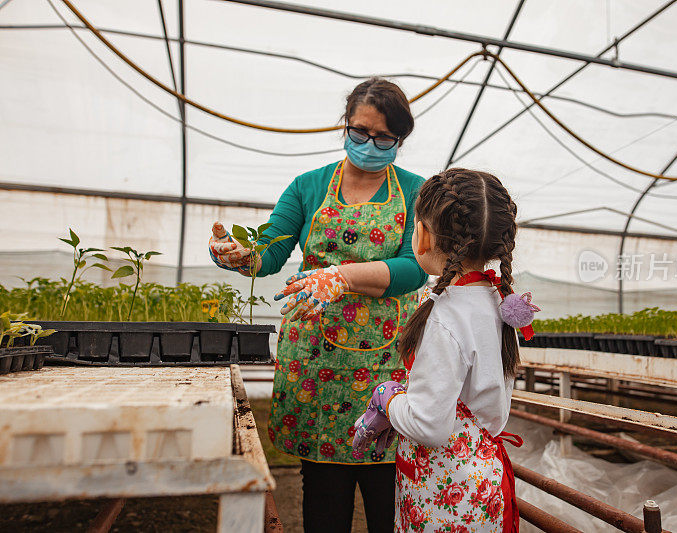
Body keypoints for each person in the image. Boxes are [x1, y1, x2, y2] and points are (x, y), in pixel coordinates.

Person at [208, 78, 428, 532]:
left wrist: (340, 277)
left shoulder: (415, 191)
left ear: (399, 139)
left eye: (383, 137)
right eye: (359, 131)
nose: (369, 143)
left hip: (388, 363)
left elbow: (415, 268)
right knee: (325, 495)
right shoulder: (309, 187)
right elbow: (270, 253)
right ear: (344, 125)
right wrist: (239, 254)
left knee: (390, 493)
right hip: (316, 362)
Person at [353, 168, 540, 532]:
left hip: (445, 492)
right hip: (481, 480)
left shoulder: (443, 315)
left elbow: (428, 425)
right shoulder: (499, 300)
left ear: (420, 234)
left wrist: (388, 399)